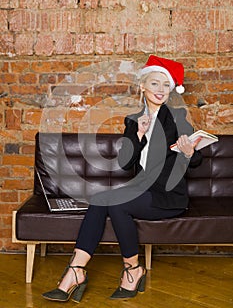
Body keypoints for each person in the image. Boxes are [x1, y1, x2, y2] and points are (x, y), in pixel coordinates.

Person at [42, 55, 203, 303]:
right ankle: (76, 271)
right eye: (154, 84)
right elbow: (125, 164)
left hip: (168, 196)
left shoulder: (178, 118)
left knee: (116, 202)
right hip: (140, 190)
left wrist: (190, 151)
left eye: (165, 85)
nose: (160, 90)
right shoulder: (133, 121)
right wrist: (138, 134)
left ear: (171, 90)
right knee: (100, 199)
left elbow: (196, 161)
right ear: (143, 87)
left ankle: (132, 270)